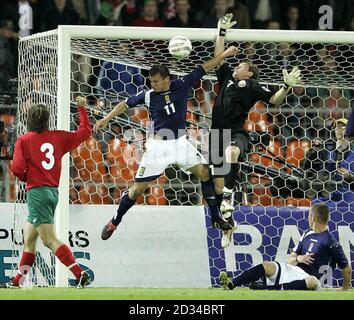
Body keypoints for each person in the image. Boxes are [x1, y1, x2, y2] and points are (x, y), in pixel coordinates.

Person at [93, 46, 239, 240]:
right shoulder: (148, 95)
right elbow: (125, 104)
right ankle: (114, 221)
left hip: (180, 143)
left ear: (166, 79)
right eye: (150, 81)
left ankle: (216, 218)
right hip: (158, 147)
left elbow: (204, 67)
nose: (152, 84)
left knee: (204, 173)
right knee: (137, 190)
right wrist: (105, 119)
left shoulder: (182, 84)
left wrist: (224, 55)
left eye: (155, 81)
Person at [211, 13, 301, 248]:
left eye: (242, 65)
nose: (238, 65)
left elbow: (274, 100)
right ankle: (228, 225)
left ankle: (230, 197)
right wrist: (221, 31)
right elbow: (218, 57)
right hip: (216, 135)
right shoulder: (226, 78)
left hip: (236, 132)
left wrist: (286, 86)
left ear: (249, 73)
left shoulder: (251, 86)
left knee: (232, 155)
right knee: (217, 187)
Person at [0, 96, 92, 288]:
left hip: (37, 193)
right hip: (52, 192)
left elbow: (16, 169)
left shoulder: (24, 140)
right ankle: (17, 282)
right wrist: (81, 109)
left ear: (29, 120)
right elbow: (85, 132)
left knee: (49, 240)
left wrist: (27, 178)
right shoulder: (60, 137)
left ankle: (79, 273)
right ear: (47, 120)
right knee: (29, 239)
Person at [219, 203, 352, 291]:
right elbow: (290, 259)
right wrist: (299, 258)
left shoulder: (330, 241)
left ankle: (264, 289)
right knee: (267, 265)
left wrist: (344, 289)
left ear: (312, 218)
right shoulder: (306, 234)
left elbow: (346, 268)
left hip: (310, 281)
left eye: (308, 216)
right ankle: (232, 283)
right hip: (294, 271)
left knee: (312, 281)